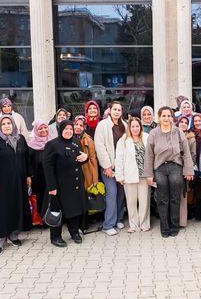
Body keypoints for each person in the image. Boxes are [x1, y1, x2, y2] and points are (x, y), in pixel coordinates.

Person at [0, 115, 32, 255]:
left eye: (9, 123)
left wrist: (28, 175)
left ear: (13, 125)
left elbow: (26, 158)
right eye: (3, 124)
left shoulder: (20, 139)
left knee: (16, 208)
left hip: (18, 182)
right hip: (0, 184)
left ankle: (13, 236)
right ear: (0, 126)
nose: (6, 126)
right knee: (1, 211)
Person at [144, 107, 194, 238]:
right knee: (162, 199)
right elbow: (149, 155)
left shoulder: (178, 132)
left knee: (175, 198)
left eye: (169, 116)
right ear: (159, 117)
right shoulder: (153, 133)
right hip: (160, 168)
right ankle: (164, 227)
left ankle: (174, 226)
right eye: (164, 116)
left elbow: (186, 152)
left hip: (175, 166)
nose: (166, 118)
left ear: (172, 118)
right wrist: (149, 174)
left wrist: (188, 170)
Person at [43, 120, 89, 246]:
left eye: (70, 129)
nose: (68, 131)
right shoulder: (52, 145)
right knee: (56, 211)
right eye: (66, 129)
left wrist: (86, 158)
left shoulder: (76, 142)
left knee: (74, 209)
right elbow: (47, 167)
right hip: (59, 185)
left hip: (75, 183)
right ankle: (55, 237)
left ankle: (74, 232)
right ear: (61, 130)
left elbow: (79, 159)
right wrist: (52, 187)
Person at [94, 101, 129, 235]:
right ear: (110, 110)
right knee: (112, 193)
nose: (117, 112)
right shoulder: (102, 125)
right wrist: (107, 166)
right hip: (108, 167)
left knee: (121, 193)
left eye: (119, 110)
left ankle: (118, 219)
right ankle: (108, 224)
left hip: (122, 166)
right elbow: (100, 147)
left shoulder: (125, 125)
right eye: (114, 109)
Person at [115, 117, 150, 233]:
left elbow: (151, 156)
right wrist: (120, 176)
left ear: (141, 127)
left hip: (144, 175)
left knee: (144, 201)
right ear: (129, 128)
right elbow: (119, 159)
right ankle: (133, 225)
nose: (135, 129)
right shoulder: (123, 140)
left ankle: (144, 223)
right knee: (131, 202)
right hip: (129, 175)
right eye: (133, 126)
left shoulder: (147, 138)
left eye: (137, 126)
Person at [28, 120, 51, 225]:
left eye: (45, 127)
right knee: (38, 198)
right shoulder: (31, 145)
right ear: (36, 130)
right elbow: (28, 162)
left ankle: (50, 219)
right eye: (40, 128)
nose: (43, 130)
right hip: (37, 178)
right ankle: (39, 219)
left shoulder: (52, 142)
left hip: (50, 177)